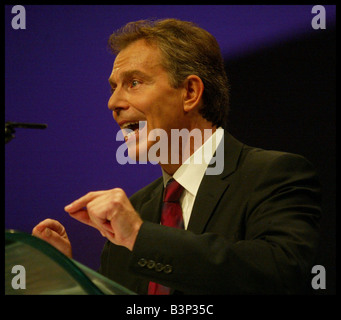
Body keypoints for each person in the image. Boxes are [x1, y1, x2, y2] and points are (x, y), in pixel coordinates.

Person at [32, 18, 321, 294]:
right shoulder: (135, 211)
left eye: (133, 83)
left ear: (190, 92)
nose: (113, 103)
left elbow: (282, 274)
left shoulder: (274, 174)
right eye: (113, 87)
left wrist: (139, 236)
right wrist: (68, 280)